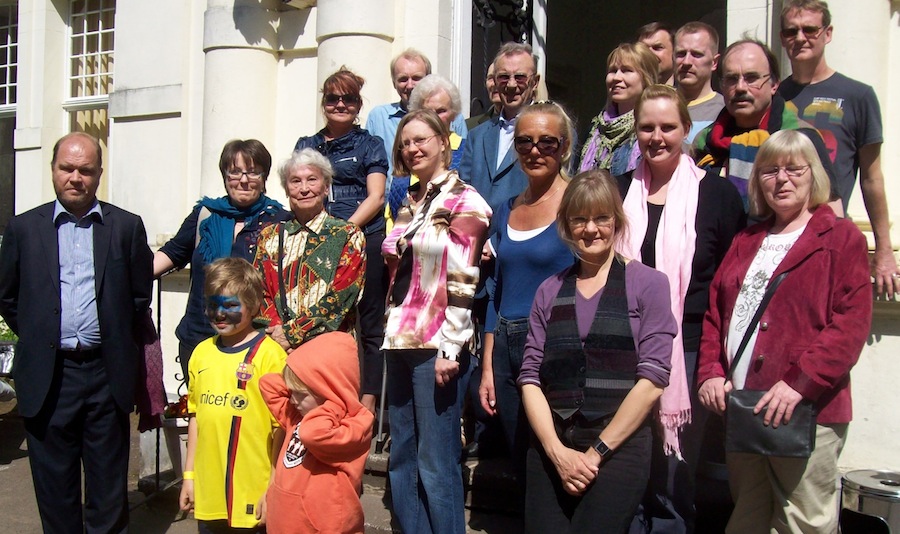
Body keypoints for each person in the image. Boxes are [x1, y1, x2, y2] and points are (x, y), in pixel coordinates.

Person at [697, 129, 872, 533]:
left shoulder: (840, 238)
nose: (782, 179)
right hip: (744, 405)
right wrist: (710, 371)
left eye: (794, 169)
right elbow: (715, 314)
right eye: (770, 171)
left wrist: (799, 383)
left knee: (803, 521)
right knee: (747, 517)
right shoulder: (747, 239)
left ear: (814, 176)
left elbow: (850, 324)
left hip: (807, 409)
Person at [0, 132, 153, 532]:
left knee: (107, 491)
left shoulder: (126, 227)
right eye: (67, 168)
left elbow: (138, 299)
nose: (75, 177)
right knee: (55, 491)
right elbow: (9, 298)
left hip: (105, 376)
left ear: (99, 174)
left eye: (85, 170)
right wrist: (45, 336)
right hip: (49, 377)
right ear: (53, 170)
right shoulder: (22, 229)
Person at [517, 169, 677, 533]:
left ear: (617, 221)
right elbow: (529, 378)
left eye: (601, 218)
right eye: (580, 219)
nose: (591, 229)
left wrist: (595, 455)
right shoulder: (549, 290)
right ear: (567, 225)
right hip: (553, 446)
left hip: (617, 450)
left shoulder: (649, 284)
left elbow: (653, 380)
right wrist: (557, 453)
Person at [616, 85, 746, 533]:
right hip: (624, 346)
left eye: (667, 126)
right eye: (647, 126)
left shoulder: (719, 196)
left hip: (687, 349)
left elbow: (732, 285)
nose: (657, 136)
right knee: (629, 466)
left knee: (673, 473)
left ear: (687, 130)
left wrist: (717, 362)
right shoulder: (617, 193)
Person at [382, 109, 491, 534]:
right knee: (402, 458)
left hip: (436, 346)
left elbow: (464, 279)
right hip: (400, 340)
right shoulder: (410, 204)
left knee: (436, 462)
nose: (412, 149)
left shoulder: (466, 200)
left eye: (421, 139)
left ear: (444, 141)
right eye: (406, 142)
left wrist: (450, 348)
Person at [478, 101, 577, 473]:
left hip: (556, 343)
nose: (535, 151)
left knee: (555, 455)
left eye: (547, 142)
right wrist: (488, 366)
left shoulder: (577, 203)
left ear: (565, 146)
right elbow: (496, 291)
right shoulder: (504, 209)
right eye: (524, 143)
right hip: (505, 344)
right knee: (520, 459)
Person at [778, 0, 900, 298]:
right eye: (791, 31)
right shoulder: (774, 95)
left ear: (827, 33)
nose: (800, 38)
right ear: (782, 38)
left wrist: (884, 250)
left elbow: (872, 178)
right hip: (778, 239)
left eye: (810, 29)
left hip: (829, 240)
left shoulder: (858, 96)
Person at [154, 139, 286, 381]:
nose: (243, 180)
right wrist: (126, 274)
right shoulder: (205, 214)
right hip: (200, 336)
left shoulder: (279, 220)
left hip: (254, 341)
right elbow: (173, 252)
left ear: (264, 176)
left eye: (253, 172)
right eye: (235, 172)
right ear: (224, 175)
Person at [294, 68, 386, 412]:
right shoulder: (307, 144)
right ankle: (323, 392)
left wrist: (342, 233)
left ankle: (368, 401)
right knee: (323, 320)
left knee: (369, 322)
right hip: (315, 242)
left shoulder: (370, 145)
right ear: (323, 103)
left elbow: (376, 197)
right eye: (333, 98)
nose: (340, 104)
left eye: (348, 98)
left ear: (359, 104)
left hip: (363, 239)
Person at [179, 257, 287, 532]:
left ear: (252, 307)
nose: (219, 313)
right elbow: (196, 421)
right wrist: (188, 477)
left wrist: (273, 487)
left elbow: (281, 429)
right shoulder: (201, 353)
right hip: (208, 491)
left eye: (230, 305)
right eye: (213, 305)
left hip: (252, 491)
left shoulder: (270, 355)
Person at [692, 39, 839, 212]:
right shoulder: (705, 141)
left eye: (751, 78)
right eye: (731, 79)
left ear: (774, 84)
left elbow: (831, 208)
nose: (740, 87)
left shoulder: (802, 138)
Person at [260, 331, 374, 534]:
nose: (292, 400)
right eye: (291, 391)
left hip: (323, 527)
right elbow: (267, 384)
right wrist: (296, 367)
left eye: (300, 394)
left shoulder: (354, 424)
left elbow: (313, 434)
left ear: (327, 390)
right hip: (285, 522)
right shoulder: (298, 415)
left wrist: (334, 404)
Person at [254, 148, 365, 353]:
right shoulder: (269, 236)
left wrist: (292, 334)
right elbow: (259, 291)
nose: (304, 189)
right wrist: (278, 335)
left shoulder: (347, 235)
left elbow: (342, 296)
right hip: (277, 349)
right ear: (287, 190)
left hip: (328, 351)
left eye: (312, 180)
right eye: (295, 181)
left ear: (326, 187)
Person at [459, 41, 540, 211]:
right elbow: (463, 192)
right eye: (504, 77)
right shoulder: (477, 136)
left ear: (535, 82)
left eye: (520, 77)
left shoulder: (550, 133)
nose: (511, 85)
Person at [366, 48, 468, 179]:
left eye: (416, 78)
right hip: (395, 194)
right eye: (403, 79)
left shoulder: (455, 118)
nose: (410, 85)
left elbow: (463, 160)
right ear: (394, 83)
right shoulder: (378, 117)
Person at [384, 73, 468, 225]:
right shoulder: (407, 157)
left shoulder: (468, 151)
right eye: (428, 111)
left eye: (441, 111)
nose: (434, 117)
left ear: (454, 114)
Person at [579, 43, 658, 176]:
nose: (616, 77)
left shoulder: (654, 133)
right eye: (613, 70)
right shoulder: (594, 130)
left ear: (646, 78)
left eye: (627, 70)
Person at [674, 22, 725, 142]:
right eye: (681, 54)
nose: (686, 62)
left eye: (696, 54)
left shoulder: (725, 112)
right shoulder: (659, 105)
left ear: (714, 62)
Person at [466, 62, 502, 131]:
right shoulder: (469, 127)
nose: (494, 84)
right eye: (490, 78)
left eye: (501, 77)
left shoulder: (525, 123)